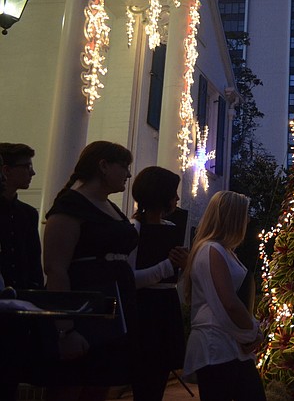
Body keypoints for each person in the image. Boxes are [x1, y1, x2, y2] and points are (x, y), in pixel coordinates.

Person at [42, 141, 138, 401]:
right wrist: (66, 329)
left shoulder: (111, 207)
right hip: (84, 311)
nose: (128, 175)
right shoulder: (71, 206)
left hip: (113, 312)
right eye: (124, 167)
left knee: (100, 384)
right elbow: (55, 268)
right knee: (72, 386)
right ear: (103, 166)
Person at [183, 191, 265, 401]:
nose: (248, 220)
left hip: (225, 342)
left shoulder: (219, 250)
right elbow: (228, 302)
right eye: (245, 214)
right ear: (233, 217)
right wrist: (252, 331)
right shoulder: (213, 250)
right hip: (217, 344)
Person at [129, 166, 188, 401]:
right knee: (145, 376)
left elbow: (175, 276)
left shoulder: (171, 228)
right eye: (173, 192)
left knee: (161, 373)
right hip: (145, 308)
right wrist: (167, 266)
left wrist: (183, 265)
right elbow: (130, 278)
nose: (177, 198)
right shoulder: (135, 229)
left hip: (167, 304)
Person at [0, 143, 44, 290]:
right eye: (27, 166)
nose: (33, 173)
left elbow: (34, 262)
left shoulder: (28, 213)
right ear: (6, 170)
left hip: (23, 296)